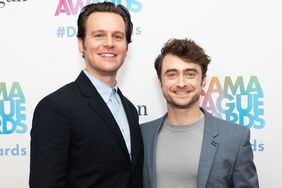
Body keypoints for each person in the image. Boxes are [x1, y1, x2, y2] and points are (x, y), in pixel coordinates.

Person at [29, 2, 143, 188]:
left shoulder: (129, 109)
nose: (109, 43)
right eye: (99, 35)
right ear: (81, 44)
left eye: (118, 36)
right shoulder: (55, 108)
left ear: (126, 47)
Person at [141, 38, 259, 188]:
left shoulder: (235, 138)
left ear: (203, 81)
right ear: (160, 82)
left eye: (190, 74)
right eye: (172, 74)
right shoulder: (142, 135)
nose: (181, 83)